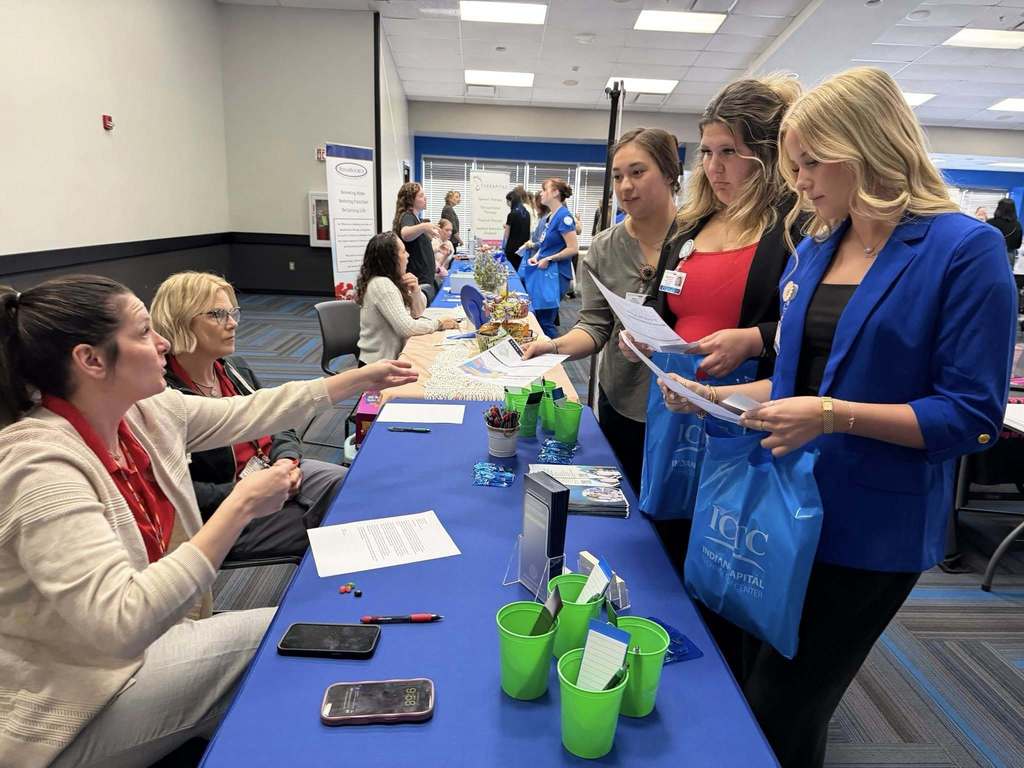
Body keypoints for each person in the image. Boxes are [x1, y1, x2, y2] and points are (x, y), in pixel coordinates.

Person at [659, 66, 1016, 768]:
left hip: (871, 528)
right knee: (757, 683)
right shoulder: (820, 246)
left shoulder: (962, 251)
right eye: (793, 166)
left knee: (782, 705)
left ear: (871, 147)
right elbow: (797, 380)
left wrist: (832, 416)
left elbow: (972, 415)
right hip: (784, 507)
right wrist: (724, 398)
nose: (799, 183)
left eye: (812, 163)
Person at [0, 274, 417, 768]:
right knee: (297, 642)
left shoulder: (143, 412)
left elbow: (251, 411)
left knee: (292, 650)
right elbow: (121, 624)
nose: (160, 343)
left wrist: (357, 379)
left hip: (146, 647)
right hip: (71, 705)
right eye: (141, 333)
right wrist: (240, 505)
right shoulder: (39, 467)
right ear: (90, 360)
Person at [523, 128, 681, 492]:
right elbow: (595, 325)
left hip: (688, 407)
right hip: (624, 401)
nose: (625, 186)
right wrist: (553, 346)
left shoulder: (703, 240)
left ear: (670, 173)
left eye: (638, 172)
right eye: (618, 176)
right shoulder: (605, 248)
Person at [151, 271, 347, 561]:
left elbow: (281, 421)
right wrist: (247, 490)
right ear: (180, 320)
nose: (232, 324)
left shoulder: (234, 369)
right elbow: (176, 491)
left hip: (275, 472)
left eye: (233, 313)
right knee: (335, 529)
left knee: (351, 487)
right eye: (217, 314)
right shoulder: (162, 398)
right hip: (227, 513)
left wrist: (285, 460)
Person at [357, 231, 459, 366]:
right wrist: (439, 324)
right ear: (391, 258)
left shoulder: (392, 280)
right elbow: (406, 328)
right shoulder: (383, 284)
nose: (408, 255)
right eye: (403, 252)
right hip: (377, 365)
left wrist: (416, 291)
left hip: (389, 360)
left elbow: (418, 312)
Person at [525, 178, 579, 338]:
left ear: (555, 193)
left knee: (546, 321)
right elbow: (545, 245)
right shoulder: (551, 216)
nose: (541, 193)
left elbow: (573, 248)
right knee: (540, 318)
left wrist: (550, 259)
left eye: (544, 190)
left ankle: (555, 357)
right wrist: (537, 256)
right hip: (545, 272)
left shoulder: (564, 217)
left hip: (555, 275)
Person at [393, 182, 439, 293]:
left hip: (424, 279)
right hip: (418, 280)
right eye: (421, 196)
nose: (425, 198)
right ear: (410, 200)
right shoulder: (407, 216)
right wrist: (424, 226)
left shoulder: (415, 218)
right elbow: (405, 234)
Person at [987, 198, 1022, 268]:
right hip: (1008, 257)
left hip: (990, 254)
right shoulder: (1017, 225)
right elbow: (1017, 245)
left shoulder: (989, 223)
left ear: (998, 208)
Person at [503, 188, 532, 272]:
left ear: (511, 201)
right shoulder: (527, 213)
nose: (507, 203)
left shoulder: (512, 214)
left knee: (510, 271)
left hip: (511, 248)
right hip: (522, 248)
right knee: (518, 270)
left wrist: (503, 247)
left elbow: (506, 234)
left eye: (508, 201)